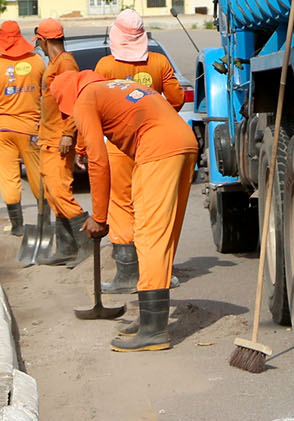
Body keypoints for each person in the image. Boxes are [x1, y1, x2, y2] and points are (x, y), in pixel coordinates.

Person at [53, 69, 197, 352]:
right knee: (163, 236)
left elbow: (98, 161)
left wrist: (99, 217)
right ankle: (149, 317)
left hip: (158, 150)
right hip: (185, 142)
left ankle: (154, 331)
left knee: (149, 236)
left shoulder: (85, 100)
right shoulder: (114, 87)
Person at [91, 10, 185, 294]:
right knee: (153, 207)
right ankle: (158, 271)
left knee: (121, 204)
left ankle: (126, 273)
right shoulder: (159, 63)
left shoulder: (105, 66)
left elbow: (94, 104)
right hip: (152, 146)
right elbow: (176, 99)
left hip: (119, 147)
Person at [0, 19, 44, 236]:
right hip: (31, 128)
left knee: (9, 176)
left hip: (3, 129)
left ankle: (17, 225)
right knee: (37, 174)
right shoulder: (37, 62)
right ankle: (44, 222)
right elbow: (46, 92)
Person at [34, 17, 85, 265]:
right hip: (48, 137)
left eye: (39, 44)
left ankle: (87, 243)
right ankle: (66, 247)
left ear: (44, 41)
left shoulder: (65, 64)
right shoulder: (55, 63)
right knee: (53, 194)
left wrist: (68, 133)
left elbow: (74, 101)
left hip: (58, 139)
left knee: (59, 192)